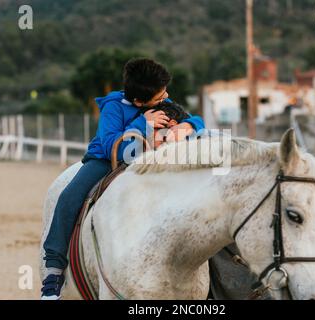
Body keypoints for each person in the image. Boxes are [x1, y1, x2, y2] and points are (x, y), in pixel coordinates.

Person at [41, 58, 205, 300]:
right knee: (68, 198)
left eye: (165, 94)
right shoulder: (113, 107)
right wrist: (143, 123)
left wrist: (189, 126)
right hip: (107, 161)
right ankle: (53, 272)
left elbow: (196, 120)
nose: (166, 98)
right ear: (139, 101)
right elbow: (110, 146)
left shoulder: (164, 101)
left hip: (153, 160)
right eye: (160, 98)